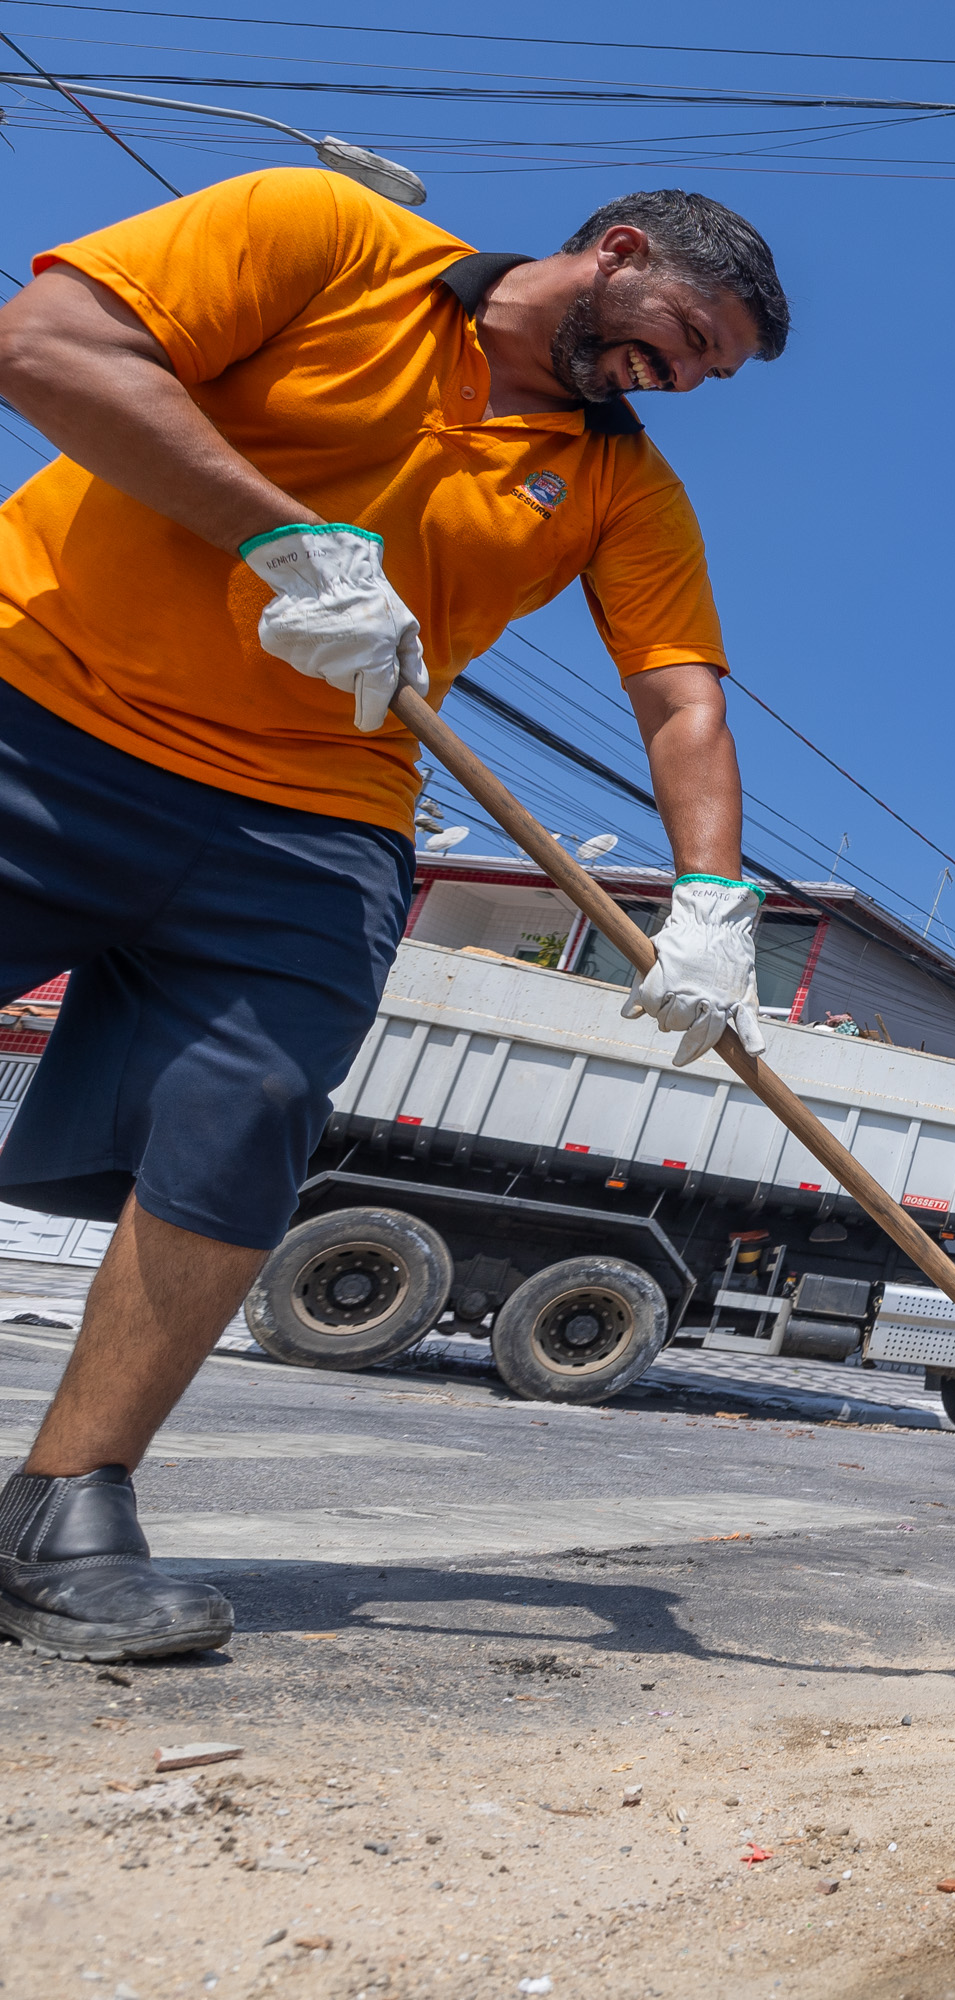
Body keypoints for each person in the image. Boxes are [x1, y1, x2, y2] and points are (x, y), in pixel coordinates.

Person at [0, 169, 792, 1661]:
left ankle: (65, 1506)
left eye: (705, 374)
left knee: (255, 1106)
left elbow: (681, 697)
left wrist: (711, 904)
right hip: (40, 699)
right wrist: (280, 536)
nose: (677, 380)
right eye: (682, 334)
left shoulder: (619, 483)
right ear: (613, 253)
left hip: (316, 809)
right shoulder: (326, 238)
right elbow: (43, 344)